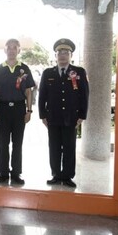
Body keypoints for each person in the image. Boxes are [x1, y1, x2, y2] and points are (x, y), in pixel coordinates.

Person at [38, 38, 89, 188]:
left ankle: (67, 176)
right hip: (52, 117)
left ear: (71, 55)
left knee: (69, 147)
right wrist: (42, 115)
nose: (62, 55)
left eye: (66, 52)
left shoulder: (78, 72)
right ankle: (56, 174)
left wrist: (82, 115)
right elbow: (42, 96)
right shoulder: (48, 73)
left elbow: (84, 95)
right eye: (59, 52)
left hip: (71, 117)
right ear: (55, 55)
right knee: (53, 147)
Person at [0, 38, 35, 185]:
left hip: (19, 109)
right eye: (9, 47)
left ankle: (16, 173)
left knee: (17, 143)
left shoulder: (24, 69)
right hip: (2, 109)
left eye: (15, 47)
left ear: (19, 50)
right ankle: (3, 173)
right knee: (3, 143)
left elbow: (29, 91)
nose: (11, 50)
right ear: (5, 50)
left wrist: (29, 111)